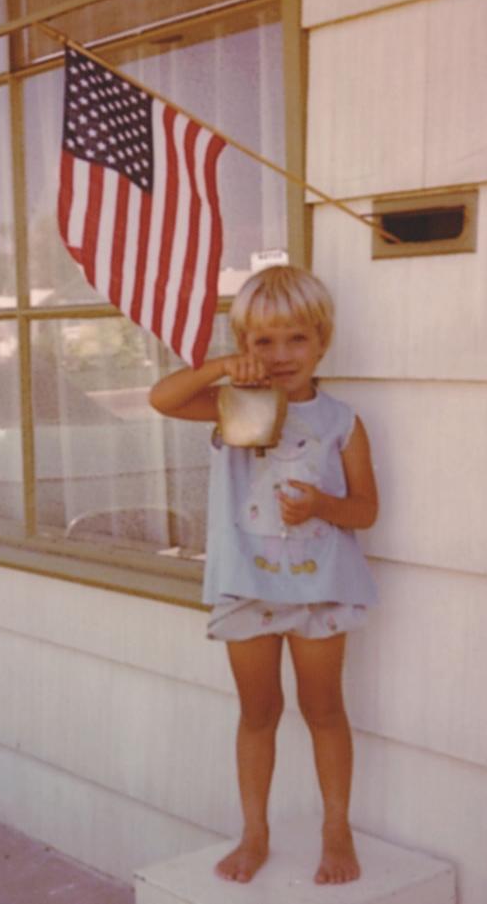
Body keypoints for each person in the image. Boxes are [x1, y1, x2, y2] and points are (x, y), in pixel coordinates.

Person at [149, 265, 378, 886]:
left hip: (319, 587)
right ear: (246, 344)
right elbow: (161, 399)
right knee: (258, 711)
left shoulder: (341, 421)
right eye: (264, 342)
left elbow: (365, 509)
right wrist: (223, 367)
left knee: (325, 708)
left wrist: (322, 507)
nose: (281, 355)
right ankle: (255, 832)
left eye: (296, 339)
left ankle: (337, 827)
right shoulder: (230, 405)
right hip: (247, 584)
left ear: (322, 341)